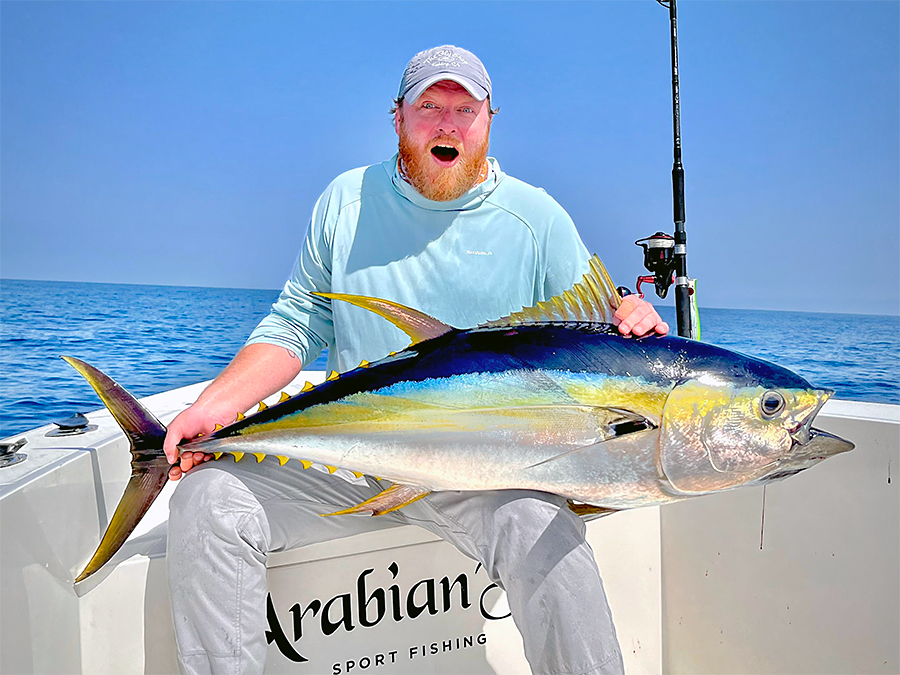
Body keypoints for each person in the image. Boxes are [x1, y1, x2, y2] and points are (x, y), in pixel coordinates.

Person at [164, 45, 668, 675]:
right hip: (346, 462)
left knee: (542, 525)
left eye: (464, 108)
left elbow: (596, 320)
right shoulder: (346, 202)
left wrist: (632, 316)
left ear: (490, 120)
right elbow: (295, 325)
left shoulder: (537, 219)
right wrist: (212, 408)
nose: (447, 124)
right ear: (398, 118)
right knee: (209, 502)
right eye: (429, 106)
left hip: (483, 472)